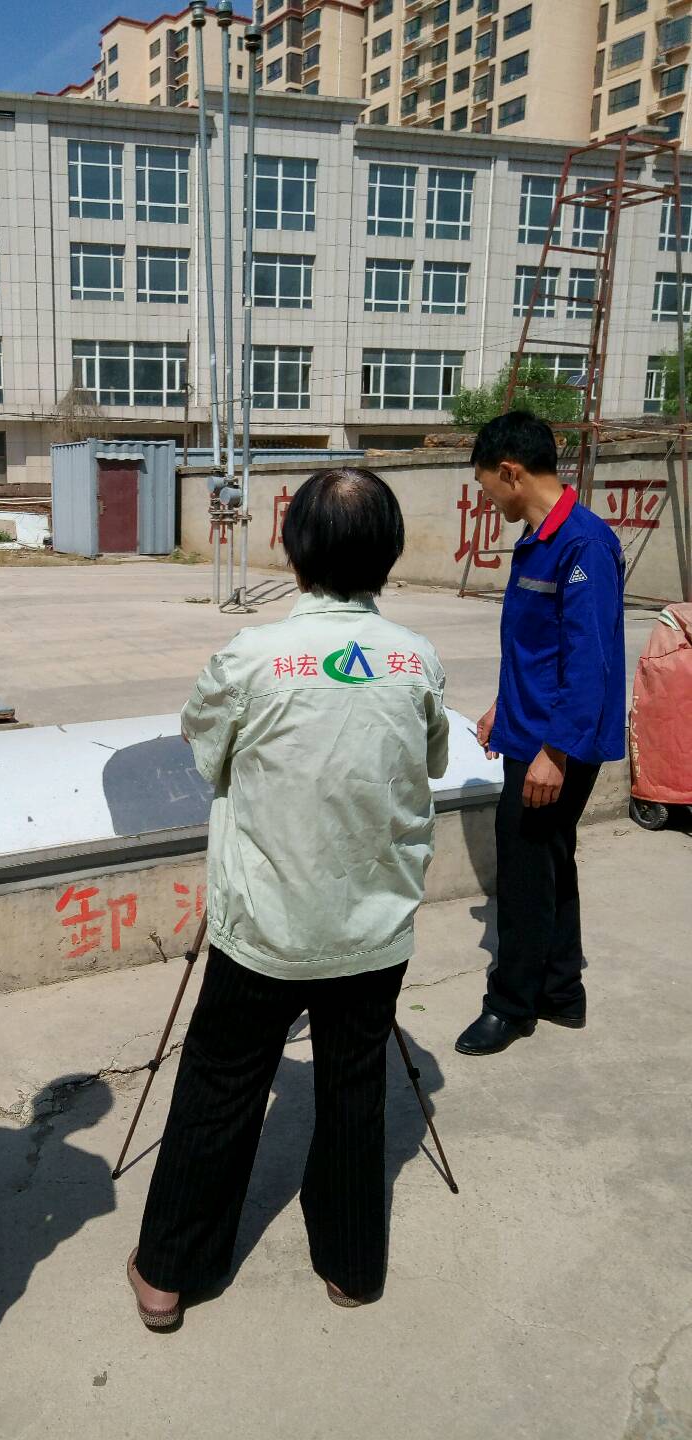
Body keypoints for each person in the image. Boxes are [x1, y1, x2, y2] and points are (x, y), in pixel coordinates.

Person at [126, 467, 450, 1327]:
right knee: (354, 1088)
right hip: (372, 925)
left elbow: (203, 747)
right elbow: (431, 761)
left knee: (221, 1085)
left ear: (294, 549)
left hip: (265, 923)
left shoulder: (252, 657)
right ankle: (351, 1266)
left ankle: (167, 1273)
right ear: (388, 554)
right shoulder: (415, 659)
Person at [455, 412, 626, 1057]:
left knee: (524, 868)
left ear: (511, 473)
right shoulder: (539, 538)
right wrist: (502, 706)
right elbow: (535, 644)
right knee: (550, 856)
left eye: (486, 486)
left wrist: (554, 752)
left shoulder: (582, 545)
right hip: (529, 728)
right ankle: (561, 991)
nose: (487, 501)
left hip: (555, 742)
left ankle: (512, 1004)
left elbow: (588, 659)